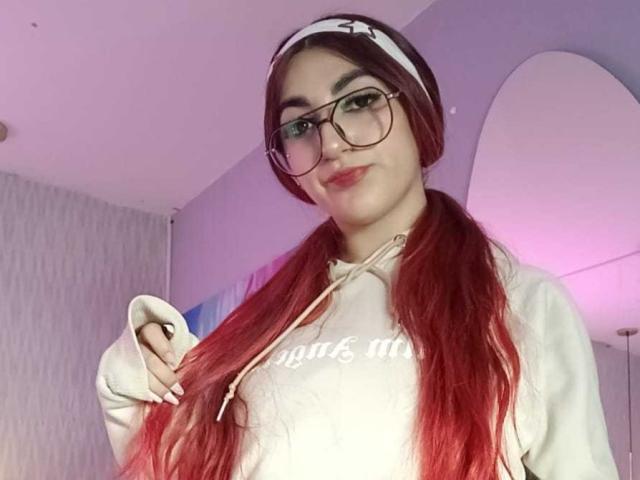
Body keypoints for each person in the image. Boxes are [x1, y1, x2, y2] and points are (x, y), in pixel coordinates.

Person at [95, 12, 619, 480]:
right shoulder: (262, 327)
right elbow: (174, 465)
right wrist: (135, 372)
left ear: (417, 110)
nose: (331, 143)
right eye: (301, 125)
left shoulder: (522, 304)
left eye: (361, 101)